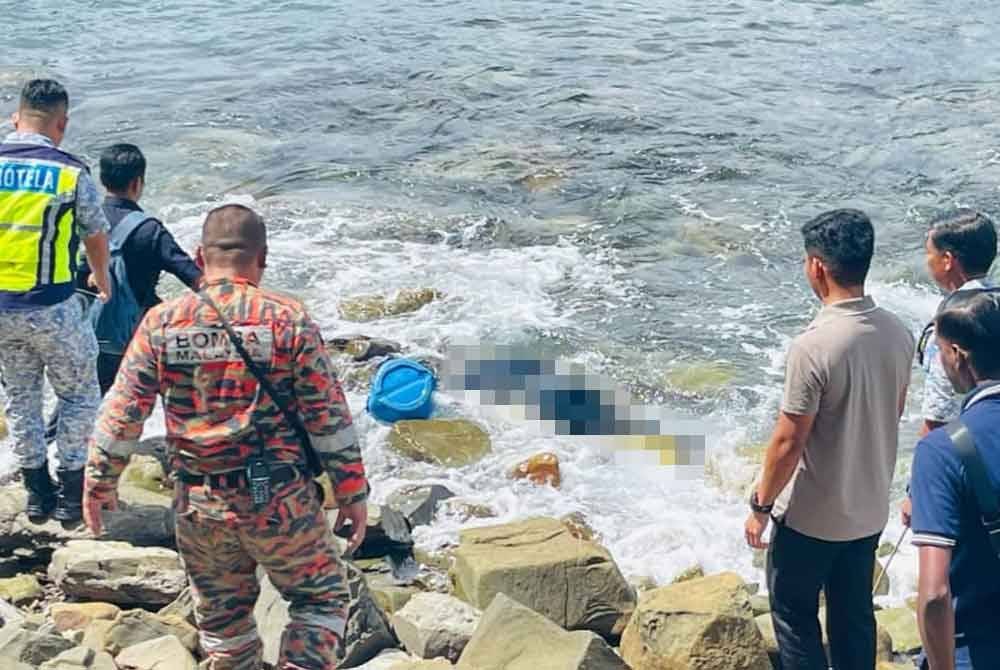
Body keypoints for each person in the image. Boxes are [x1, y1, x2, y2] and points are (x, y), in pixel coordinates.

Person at [83, 204, 368, 670]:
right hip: (280, 500)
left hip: (199, 502)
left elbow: (122, 411)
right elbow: (328, 416)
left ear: (199, 255)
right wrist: (352, 490)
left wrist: (100, 481)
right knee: (320, 601)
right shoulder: (287, 318)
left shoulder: (163, 322)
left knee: (222, 620)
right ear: (263, 257)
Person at [744, 209, 914, 670]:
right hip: (867, 511)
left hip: (811, 518)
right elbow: (892, 413)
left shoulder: (813, 346)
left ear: (817, 266)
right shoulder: (898, 332)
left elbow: (788, 441)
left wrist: (760, 506)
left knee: (794, 615)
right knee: (854, 618)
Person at [0, 79, 112, 523]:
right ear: (61, 124)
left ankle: (35, 491)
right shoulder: (69, 171)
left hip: (2, 310)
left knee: (21, 397)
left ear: (16, 117)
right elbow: (95, 232)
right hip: (54, 307)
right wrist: (102, 280)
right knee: (80, 393)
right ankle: (69, 493)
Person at [43, 144, 202, 443]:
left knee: (74, 402)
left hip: (76, 328)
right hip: (130, 339)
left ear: (103, 182)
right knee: (179, 385)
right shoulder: (150, 231)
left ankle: (38, 461)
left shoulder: (77, 219)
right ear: (137, 183)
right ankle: (184, 446)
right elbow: (195, 279)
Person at [910, 293, 1000, 669]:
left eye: (939, 351)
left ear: (959, 356)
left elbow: (934, 596)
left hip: (974, 650)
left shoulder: (943, 450)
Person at [918, 210, 997, 436]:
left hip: (974, 441)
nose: (926, 260)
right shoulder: (994, 304)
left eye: (928, 252)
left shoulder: (951, 323)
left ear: (947, 260)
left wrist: (928, 457)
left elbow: (938, 415)